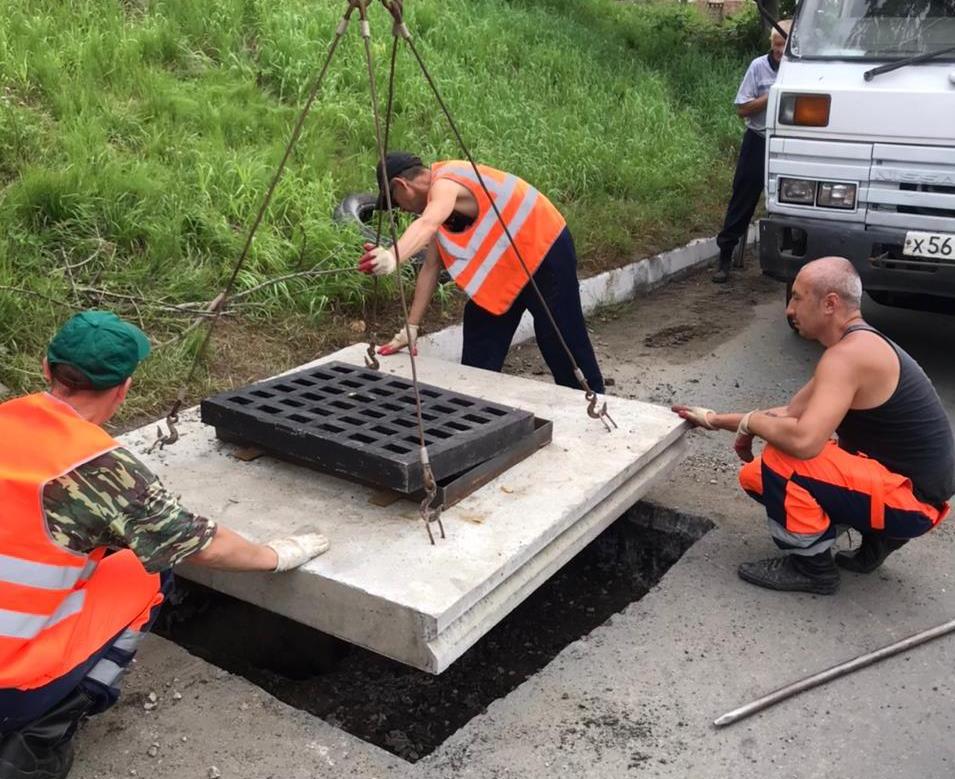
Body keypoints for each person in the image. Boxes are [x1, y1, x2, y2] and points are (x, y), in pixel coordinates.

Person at [0, 311, 330, 779]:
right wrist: (277, 555)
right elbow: (201, 545)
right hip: (8, 690)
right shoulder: (100, 472)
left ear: (45, 369)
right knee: (148, 571)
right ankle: (36, 740)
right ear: (124, 388)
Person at [673, 257, 954, 594]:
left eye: (797, 297)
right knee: (757, 476)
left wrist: (753, 424)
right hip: (912, 494)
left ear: (830, 303)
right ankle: (880, 536)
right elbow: (791, 413)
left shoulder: (847, 357)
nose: (789, 310)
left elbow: (803, 441)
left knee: (782, 460)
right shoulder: (857, 346)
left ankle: (812, 568)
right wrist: (715, 419)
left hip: (912, 502)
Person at [357, 152, 605, 394]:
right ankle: (475, 404)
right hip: (507, 267)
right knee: (481, 332)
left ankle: (592, 402)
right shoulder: (438, 206)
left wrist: (392, 256)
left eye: (395, 202)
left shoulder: (445, 183)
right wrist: (410, 328)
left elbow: (427, 223)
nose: (399, 209)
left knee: (559, 336)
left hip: (543, 249)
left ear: (401, 185)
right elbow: (431, 266)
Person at [712, 19, 792, 284]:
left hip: (788, 144)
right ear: (772, 44)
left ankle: (791, 262)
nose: (780, 50)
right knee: (743, 196)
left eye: (785, 44)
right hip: (758, 139)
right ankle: (725, 255)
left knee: (790, 201)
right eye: (777, 44)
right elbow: (743, 108)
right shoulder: (759, 67)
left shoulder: (799, 69)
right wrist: (771, 96)